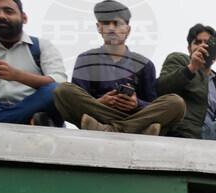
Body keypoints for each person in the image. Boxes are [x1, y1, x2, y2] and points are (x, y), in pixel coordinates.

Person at [53, 0, 184, 136]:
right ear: (99, 28)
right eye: (106, 23)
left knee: (176, 102)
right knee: (63, 90)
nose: (111, 28)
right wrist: (100, 102)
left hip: (134, 116)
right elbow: (79, 99)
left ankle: (113, 129)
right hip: (98, 116)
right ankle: (133, 129)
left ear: (128, 30)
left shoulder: (144, 64)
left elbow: (152, 103)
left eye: (117, 23)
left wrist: (136, 103)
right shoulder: (85, 59)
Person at [0, 0, 66, 125]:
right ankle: (21, 120)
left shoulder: (41, 45)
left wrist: (17, 75)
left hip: (35, 107)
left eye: (8, 11)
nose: (1, 16)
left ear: (24, 17)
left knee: (55, 89)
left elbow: (60, 84)